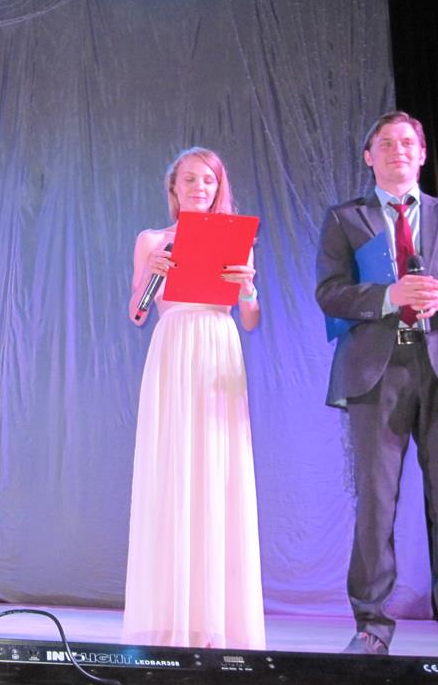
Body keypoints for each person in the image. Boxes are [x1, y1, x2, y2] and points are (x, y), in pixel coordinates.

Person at [315, 111, 438, 667]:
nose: (397, 150)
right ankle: (371, 627)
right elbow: (329, 292)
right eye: (385, 143)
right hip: (377, 371)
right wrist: (387, 297)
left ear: (421, 155)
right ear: (368, 157)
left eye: (407, 142)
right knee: (375, 504)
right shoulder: (344, 218)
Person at [122, 147, 265, 650]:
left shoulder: (236, 239)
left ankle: (216, 620)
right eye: (189, 179)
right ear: (173, 187)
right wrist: (151, 274)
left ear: (218, 187)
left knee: (216, 473)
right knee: (173, 471)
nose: (198, 187)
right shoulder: (152, 239)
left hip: (217, 349)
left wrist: (248, 289)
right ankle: (169, 619)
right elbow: (137, 314)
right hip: (173, 348)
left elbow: (251, 319)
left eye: (208, 180)